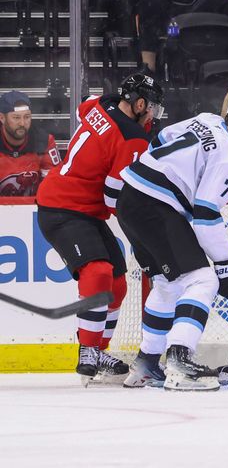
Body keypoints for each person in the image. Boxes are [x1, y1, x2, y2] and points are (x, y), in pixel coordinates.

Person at [117, 87, 228, 391]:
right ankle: (179, 361)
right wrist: (227, 265)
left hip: (130, 198)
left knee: (168, 284)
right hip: (156, 206)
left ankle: (147, 363)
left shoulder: (205, 120)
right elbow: (205, 213)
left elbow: (160, 140)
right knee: (203, 280)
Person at [36, 74, 164, 384]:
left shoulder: (100, 104)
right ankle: (88, 350)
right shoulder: (134, 137)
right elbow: (112, 195)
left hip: (83, 211)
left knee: (118, 284)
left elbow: (84, 108)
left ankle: (99, 351)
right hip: (63, 209)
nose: (153, 116)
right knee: (98, 273)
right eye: (152, 109)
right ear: (140, 103)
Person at [0, 91, 60, 196]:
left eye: (27, 117)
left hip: (34, 208)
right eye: (16, 117)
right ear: (2, 118)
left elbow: (55, 186)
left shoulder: (44, 141)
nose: (22, 123)